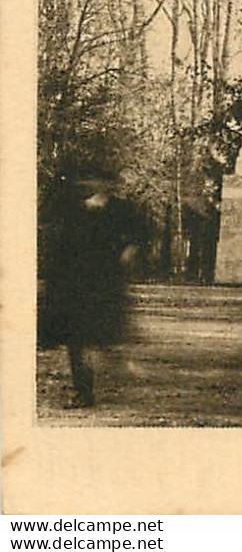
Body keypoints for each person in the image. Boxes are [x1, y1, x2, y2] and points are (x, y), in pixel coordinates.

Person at [38, 169, 145, 408]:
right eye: (94, 179)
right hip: (78, 282)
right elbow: (62, 246)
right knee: (77, 339)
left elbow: (140, 235)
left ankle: (115, 366)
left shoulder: (122, 209)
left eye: (105, 181)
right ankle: (83, 392)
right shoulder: (77, 210)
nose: (98, 184)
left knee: (103, 335)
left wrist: (130, 251)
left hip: (106, 281)